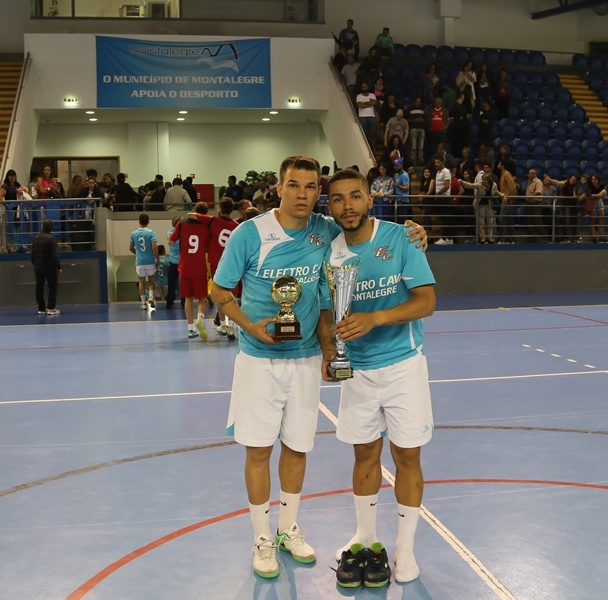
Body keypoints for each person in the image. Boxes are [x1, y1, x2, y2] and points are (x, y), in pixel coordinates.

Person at [210, 155, 428, 580]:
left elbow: (363, 229)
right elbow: (218, 288)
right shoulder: (248, 234)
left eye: (311, 187)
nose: (303, 195)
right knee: (258, 450)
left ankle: (288, 528)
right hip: (258, 360)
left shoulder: (326, 230)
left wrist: (418, 234)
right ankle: (261, 538)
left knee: (297, 448)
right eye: (294, 185)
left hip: (307, 359)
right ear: (278, 186)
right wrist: (248, 325)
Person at [321, 168, 436, 587]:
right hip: (358, 372)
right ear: (328, 205)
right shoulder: (328, 252)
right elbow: (323, 312)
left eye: (355, 196)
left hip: (404, 365)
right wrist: (329, 351)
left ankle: (405, 548)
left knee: (407, 456)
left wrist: (376, 318)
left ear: (371, 199)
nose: (347, 205)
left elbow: (426, 301)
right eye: (337, 198)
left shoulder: (402, 238)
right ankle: (366, 537)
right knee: (364, 454)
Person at [169, 202, 211, 339]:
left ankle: (190, 328)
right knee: (202, 298)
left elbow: (171, 241)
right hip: (199, 266)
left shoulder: (182, 223)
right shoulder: (206, 226)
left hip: (185, 266)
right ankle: (200, 318)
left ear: (194, 210)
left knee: (188, 298)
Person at [31, 219, 62, 315]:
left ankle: (41, 308)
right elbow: (54, 255)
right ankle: (50, 307)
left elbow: (32, 255)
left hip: (38, 266)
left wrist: (35, 264)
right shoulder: (51, 239)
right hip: (49, 267)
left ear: (42, 227)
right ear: (52, 228)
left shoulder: (36, 238)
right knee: (52, 286)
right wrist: (59, 267)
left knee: (39, 287)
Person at [129, 213, 159, 310]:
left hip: (139, 262)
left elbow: (130, 248)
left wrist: (137, 253)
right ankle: (151, 297)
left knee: (141, 282)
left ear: (139, 221)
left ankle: (143, 304)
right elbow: (154, 247)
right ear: (148, 222)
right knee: (151, 281)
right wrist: (157, 258)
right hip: (150, 260)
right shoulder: (151, 233)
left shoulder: (134, 234)